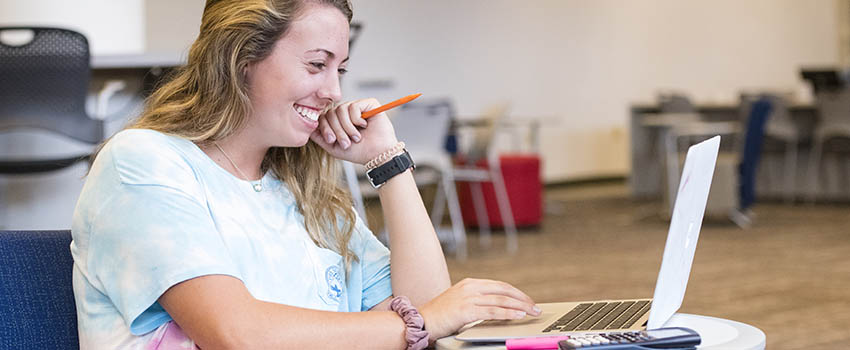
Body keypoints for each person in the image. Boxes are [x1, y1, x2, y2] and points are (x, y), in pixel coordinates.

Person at [70, 0, 541, 349]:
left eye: (341, 69)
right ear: (241, 59)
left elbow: (426, 311)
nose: (333, 90)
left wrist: (389, 162)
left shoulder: (302, 189)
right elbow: (235, 335)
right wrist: (422, 322)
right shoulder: (142, 162)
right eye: (317, 64)